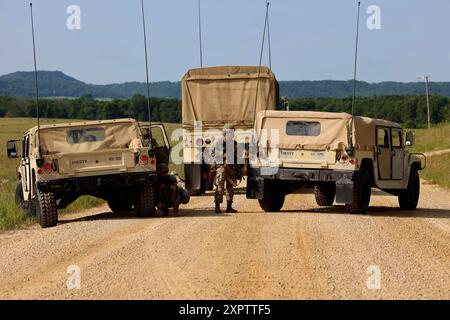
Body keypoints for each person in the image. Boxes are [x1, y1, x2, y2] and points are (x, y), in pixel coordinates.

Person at [212, 123, 242, 214]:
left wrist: (238, 169)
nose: (231, 135)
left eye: (232, 133)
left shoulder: (235, 144)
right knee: (219, 187)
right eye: (229, 133)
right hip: (221, 168)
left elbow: (239, 157)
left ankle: (229, 206)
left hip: (231, 169)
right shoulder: (219, 143)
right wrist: (224, 156)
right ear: (224, 133)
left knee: (230, 188)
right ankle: (217, 206)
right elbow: (213, 154)